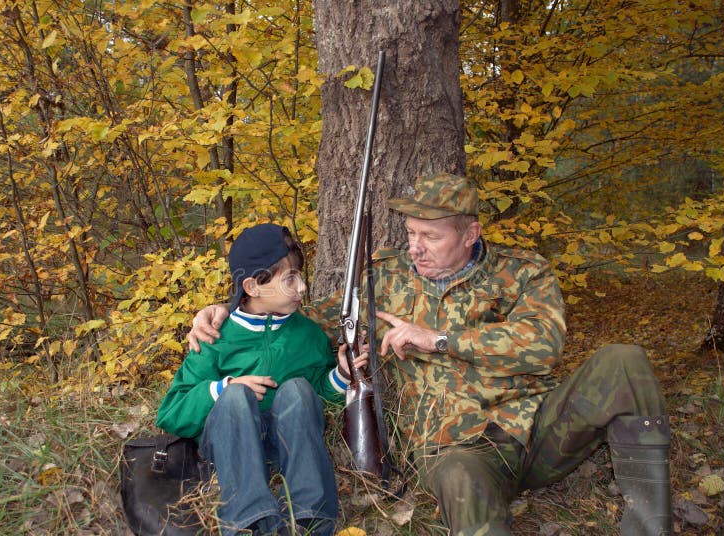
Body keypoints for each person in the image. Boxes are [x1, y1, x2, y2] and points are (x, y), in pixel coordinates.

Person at [188, 173, 672, 536]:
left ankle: (651, 525)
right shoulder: (385, 277)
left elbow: (544, 343)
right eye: (411, 233)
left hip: (538, 429)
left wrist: (439, 339)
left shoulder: (523, 271)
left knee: (623, 360)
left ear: (470, 234)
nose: (415, 247)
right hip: (455, 449)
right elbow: (301, 309)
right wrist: (225, 308)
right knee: (462, 478)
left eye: (431, 237)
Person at [157, 223, 366, 536]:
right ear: (253, 287)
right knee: (236, 397)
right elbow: (171, 413)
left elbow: (319, 397)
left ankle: (310, 516)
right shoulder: (215, 337)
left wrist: (340, 376)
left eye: (301, 276)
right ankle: (248, 522)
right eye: (290, 279)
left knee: (298, 389)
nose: (302, 288)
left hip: (285, 447)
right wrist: (223, 389)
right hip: (231, 446)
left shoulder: (307, 334)